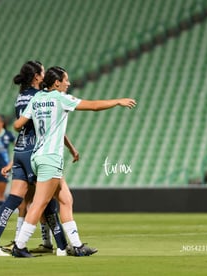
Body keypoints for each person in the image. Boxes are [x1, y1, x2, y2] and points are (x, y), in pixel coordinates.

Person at [12, 66, 136, 257]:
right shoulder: (61, 98)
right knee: (39, 204)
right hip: (51, 158)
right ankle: (19, 246)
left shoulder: (37, 98)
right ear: (57, 83)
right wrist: (117, 101)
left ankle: (77, 246)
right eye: (66, 80)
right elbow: (93, 106)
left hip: (37, 156)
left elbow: (17, 124)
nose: (68, 83)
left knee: (66, 199)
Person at [0, 61, 78, 257]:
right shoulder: (40, 97)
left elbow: (20, 126)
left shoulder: (20, 97)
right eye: (42, 72)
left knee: (16, 198)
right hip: (38, 151)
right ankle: (61, 246)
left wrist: (12, 161)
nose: (45, 74)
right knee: (47, 201)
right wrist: (71, 148)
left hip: (20, 150)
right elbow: (51, 127)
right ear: (37, 77)